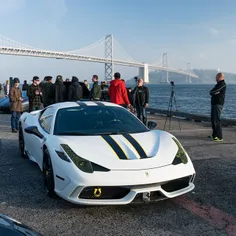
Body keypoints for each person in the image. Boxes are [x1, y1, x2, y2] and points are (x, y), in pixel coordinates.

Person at [209, 72, 226, 141]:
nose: (215, 78)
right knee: (213, 120)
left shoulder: (222, 84)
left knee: (216, 120)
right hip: (214, 104)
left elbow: (213, 92)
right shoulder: (218, 84)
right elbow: (212, 92)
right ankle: (214, 135)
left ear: (220, 77)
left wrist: (213, 92)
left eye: (216, 77)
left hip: (218, 104)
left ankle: (219, 137)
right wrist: (213, 92)